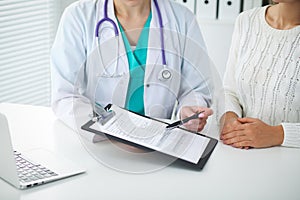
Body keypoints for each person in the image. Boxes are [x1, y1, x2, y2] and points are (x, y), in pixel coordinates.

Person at [51, 0, 214, 141]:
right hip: (100, 143)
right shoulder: (78, 17)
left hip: (158, 145)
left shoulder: (182, 19)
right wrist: (101, 129)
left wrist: (189, 112)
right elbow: (65, 95)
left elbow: (196, 89)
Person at [220, 0, 300, 148]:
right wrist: (230, 119)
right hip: (240, 155)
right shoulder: (246, 21)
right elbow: (229, 90)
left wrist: (278, 134)